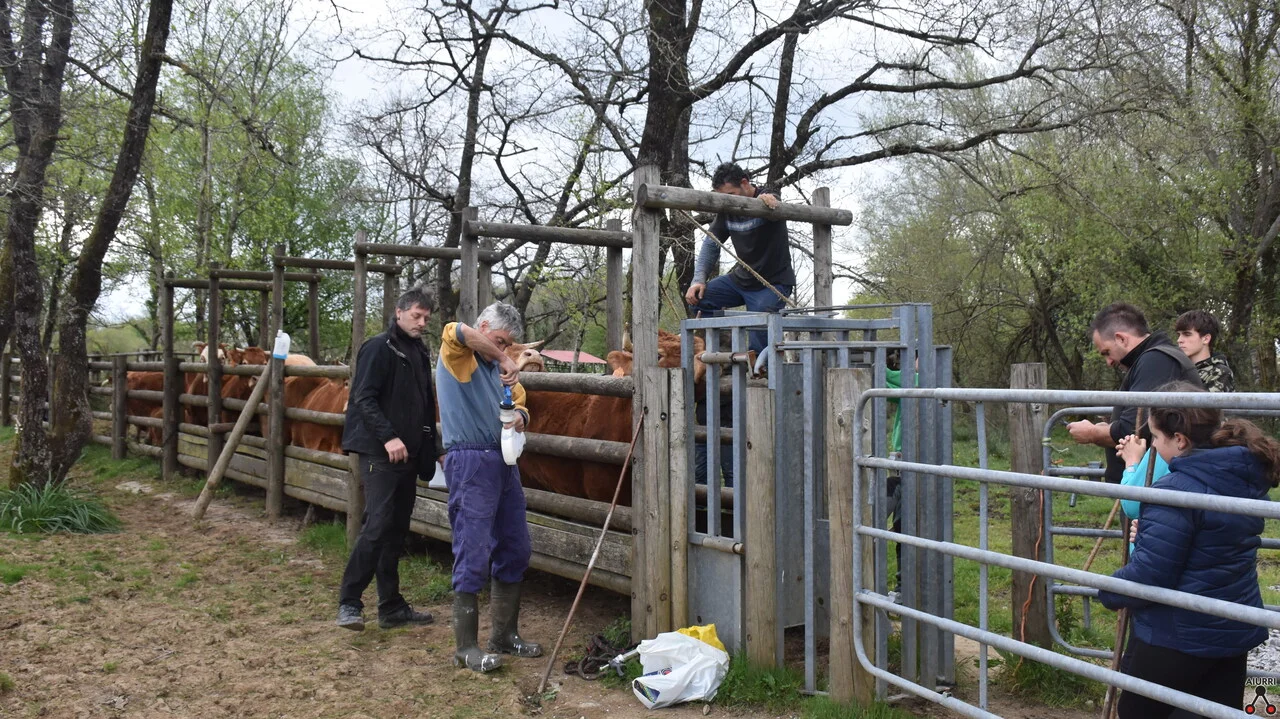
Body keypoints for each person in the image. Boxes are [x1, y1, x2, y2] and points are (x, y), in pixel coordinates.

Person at [1097, 381, 1279, 717]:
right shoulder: (1243, 477)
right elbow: (1207, 542)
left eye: (1156, 437)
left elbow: (1151, 573)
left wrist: (1106, 590)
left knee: (1138, 711)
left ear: (1180, 440)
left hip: (1178, 634)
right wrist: (1151, 534)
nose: (1153, 445)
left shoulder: (1176, 491)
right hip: (1232, 625)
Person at [436, 302, 542, 673]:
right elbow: (459, 330)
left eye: (508, 344)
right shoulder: (458, 352)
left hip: (504, 459)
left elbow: (521, 401)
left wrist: (521, 417)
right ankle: (465, 647)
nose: (503, 348)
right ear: (483, 327)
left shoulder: (500, 372)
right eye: (499, 340)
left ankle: (504, 634)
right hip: (470, 460)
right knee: (473, 547)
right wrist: (503, 357)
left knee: (515, 545)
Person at [336, 286, 442, 632]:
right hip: (379, 453)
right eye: (416, 315)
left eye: (426, 318)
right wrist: (388, 437)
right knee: (378, 524)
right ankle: (349, 602)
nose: (422, 323)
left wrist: (436, 448)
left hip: (409, 454)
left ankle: (391, 606)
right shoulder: (378, 348)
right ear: (399, 312)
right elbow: (363, 398)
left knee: (396, 529)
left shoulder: (418, 351)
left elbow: (425, 407)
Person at [1067, 303, 1202, 483]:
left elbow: (1134, 429)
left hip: (1155, 487)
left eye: (1107, 352)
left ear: (1121, 338)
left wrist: (1093, 433)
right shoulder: (1154, 358)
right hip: (1151, 484)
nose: (1109, 362)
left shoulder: (1156, 360)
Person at [683, 162, 795, 364]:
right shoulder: (728, 210)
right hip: (742, 280)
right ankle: (726, 354)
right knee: (699, 298)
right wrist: (698, 279)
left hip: (774, 283)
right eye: (724, 197)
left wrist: (767, 201)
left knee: (760, 319)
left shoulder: (766, 198)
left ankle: (761, 371)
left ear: (745, 183)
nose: (729, 200)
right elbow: (710, 245)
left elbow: (774, 200)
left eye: (731, 194)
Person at [1175, 309, 1236, 392]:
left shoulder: (1220, 373)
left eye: (1187, 334)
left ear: (1206, 339)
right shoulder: (1175, 369)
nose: (1179, 340)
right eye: (1178, 335)